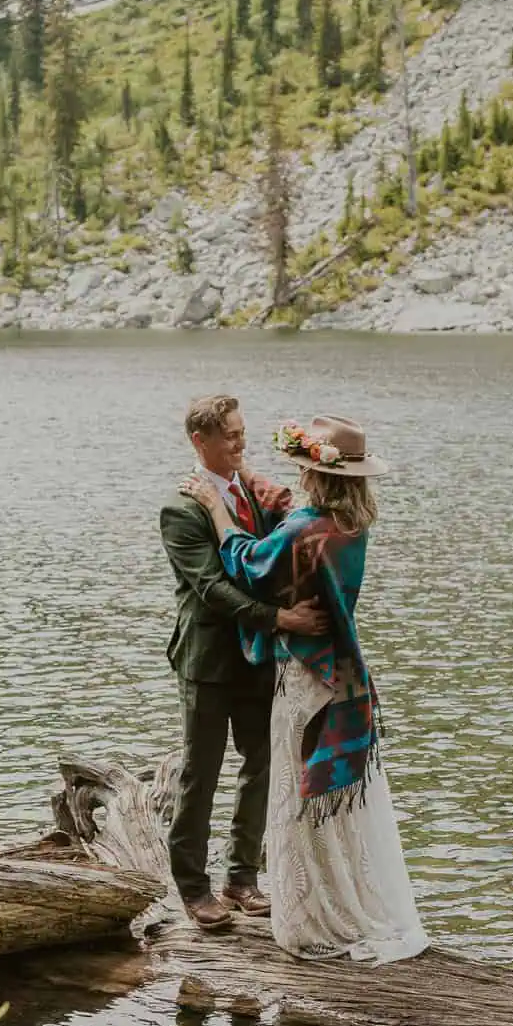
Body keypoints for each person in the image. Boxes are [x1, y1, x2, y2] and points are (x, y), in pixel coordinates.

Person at [182, 413, 429, 966]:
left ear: (318, 475)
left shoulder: (305, 530)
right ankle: (341, 899)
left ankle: (315, 917)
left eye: (303, 469)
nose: (297, 479)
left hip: (305, 679)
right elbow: (291, 513)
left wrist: (220, 509)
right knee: (334, 808)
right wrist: (245, 472)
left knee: (301, 799)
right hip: (343, 677)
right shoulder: (349, 523)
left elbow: (245, 561)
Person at [160, 394, 329, 935]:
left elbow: (283, 533)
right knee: (200, 774)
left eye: (241, 432)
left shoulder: (250, 493)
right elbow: (213, 590)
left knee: (262, 764)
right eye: (229, 435)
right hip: (208, 661)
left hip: (256, 659)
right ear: (199, 441)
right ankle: (192, 888)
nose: (239, 441)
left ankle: (241, 878)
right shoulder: (182, 509)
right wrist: (284, 619)